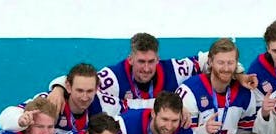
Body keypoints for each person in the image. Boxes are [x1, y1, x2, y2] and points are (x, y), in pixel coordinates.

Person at [52, 33, 198, 111]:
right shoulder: (112, 77)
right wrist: (58, 89)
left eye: (151, 61)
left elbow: (206, 60)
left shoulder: (174, 69)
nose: (147, 68)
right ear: (130, 59)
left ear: (158, 59)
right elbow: (82, 79)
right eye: (141, 61)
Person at [176, 38, 257, 134]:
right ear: (210, 62)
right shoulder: (190, 91)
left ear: (236, 64)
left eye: (230, 63)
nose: (226, 68)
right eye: (221, 62)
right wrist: (204, 131)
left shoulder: (245, 93)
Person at [0, 62, 125, 134]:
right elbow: (4, 118)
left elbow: (135, 113)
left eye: (90, 91)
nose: (85, 97)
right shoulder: (50, 101)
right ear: (68, 87)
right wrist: (20, 120)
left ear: (97, 88)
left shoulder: (105, 104)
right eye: (79, 91)